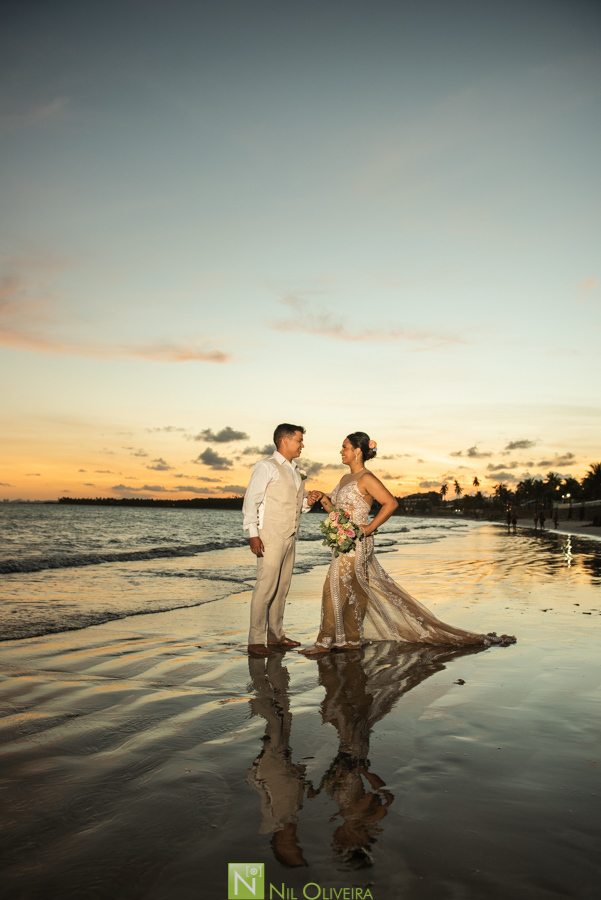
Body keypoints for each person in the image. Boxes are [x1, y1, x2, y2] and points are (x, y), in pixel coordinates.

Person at [301, 432, 515, 655]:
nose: (341, 451)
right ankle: (351, 639)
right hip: (343, 541)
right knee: (353, 589)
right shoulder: (345, 479)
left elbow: (391, 504)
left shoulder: (367, 478)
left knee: (333, 587)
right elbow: (337, 512)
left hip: (358, 542)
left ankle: (324, 642)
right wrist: (323, 499)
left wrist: (368, 528)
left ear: (357, 451)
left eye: (344, 447)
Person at [243, 423, 320, 658]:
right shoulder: (266, 466)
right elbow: (251, 502)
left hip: (290, 535)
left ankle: (275, 636)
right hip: (270, 535)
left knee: (282, 587)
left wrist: (308, 502)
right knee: (265, 587)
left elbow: (295, 506)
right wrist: (253, 534)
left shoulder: (295, 470)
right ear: (284, 441)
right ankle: (255, 640)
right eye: (299, 440)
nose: (302, 445)